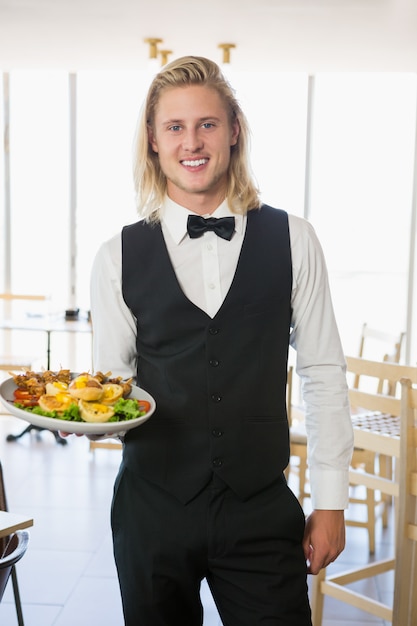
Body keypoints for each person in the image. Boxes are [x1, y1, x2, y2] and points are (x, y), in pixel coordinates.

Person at [88, 56, 354, 626]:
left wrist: (332, 501)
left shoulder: (295, 240)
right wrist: (73, 410)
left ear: (234, 132)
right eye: (175, 127)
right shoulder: (116, 256)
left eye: (207, 123)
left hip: (259, 506)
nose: (193, 141)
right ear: (154, 142)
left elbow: (324, 374)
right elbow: (112, 387)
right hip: (152, 509)